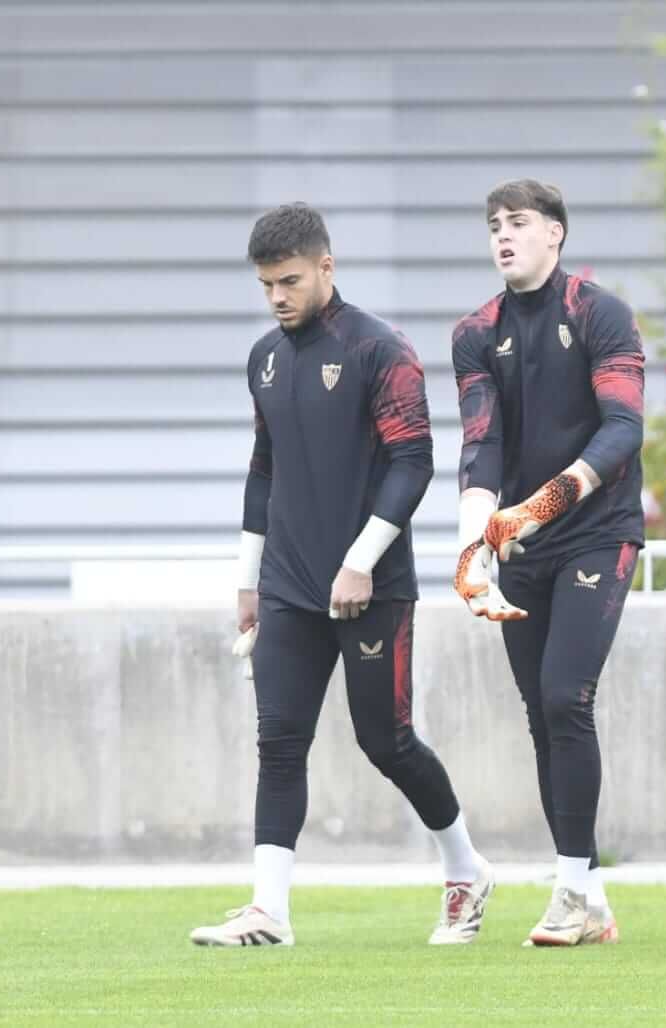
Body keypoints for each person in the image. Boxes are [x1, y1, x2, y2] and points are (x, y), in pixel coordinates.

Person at [192, 203, 492, 948]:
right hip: (288, 585)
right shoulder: (264, 358)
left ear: (325, 267)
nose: (277, 297)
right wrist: (248, 579)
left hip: (371, 588)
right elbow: (263, 470)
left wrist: (360, 562)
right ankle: (269, 911)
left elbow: (413, 462)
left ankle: (466, 868)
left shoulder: (378, 349)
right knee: (278, 740)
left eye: (289, 281)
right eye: (266, 285)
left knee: (385, 740)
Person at [450, 179, 644, 947]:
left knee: (567, 696)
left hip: (598, 532)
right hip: (523, 545)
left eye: (519, 222)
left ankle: (569, 891)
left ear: (555, 234)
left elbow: (623, 428)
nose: (503, 235)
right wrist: (472, 548)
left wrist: (540, 506)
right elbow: (482, 444)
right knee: (542, 714)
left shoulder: (598, 312)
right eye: (494, 225)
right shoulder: (476, 332)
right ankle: (587, 895)